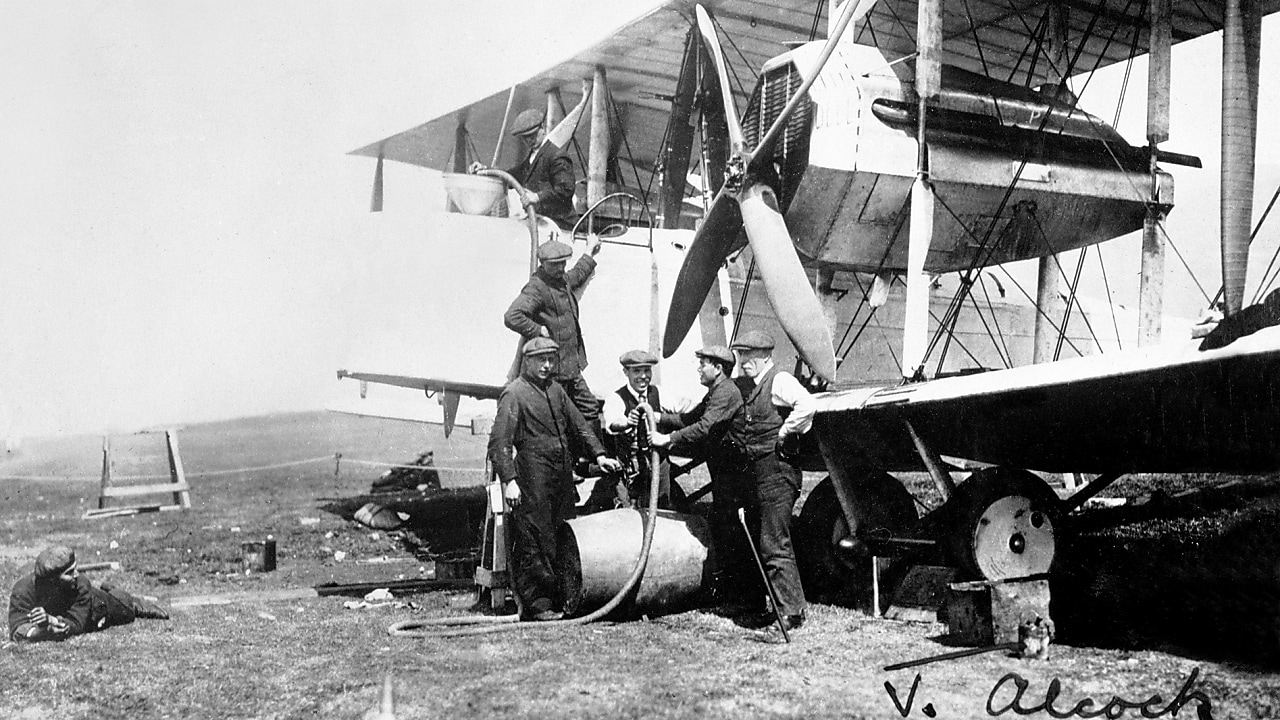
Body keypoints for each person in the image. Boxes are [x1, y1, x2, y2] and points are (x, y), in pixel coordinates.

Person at [488, 337, 622, 621]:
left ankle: (565, 597)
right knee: (535, 536)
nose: (547, 365)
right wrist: (510, 480)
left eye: (550, 359)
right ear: (527, 361)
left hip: (561, 471)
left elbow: (579, 424)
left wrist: (599, 455)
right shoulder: (514, 393)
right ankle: (538, 604)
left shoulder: (556, 390)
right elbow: (499, 443)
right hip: (532, 471)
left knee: (563, 531)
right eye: (541, 360)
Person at [648, 346, 756, 613]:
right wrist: (658, 416)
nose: (699, 368)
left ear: (718, 369)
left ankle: (744, 599)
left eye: (703, 364)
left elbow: (704, 427)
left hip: (735, 475)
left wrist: (667, 439)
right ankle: (732, 595)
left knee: (736, 534)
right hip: (724, 474)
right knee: (724, 529)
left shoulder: (726, 393)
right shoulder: (716, 392)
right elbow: (689, 418)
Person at [729, 330, 817, 632]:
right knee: (766, 540)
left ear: (766, 356)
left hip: (778, 474)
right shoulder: (751, 384)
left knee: (774, 542)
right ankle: (783, 606)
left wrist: (786, 431)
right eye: (741, 354)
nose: (744, 361)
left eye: (750, 355)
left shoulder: (779, 380)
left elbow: (807, 405)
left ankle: (791, 612)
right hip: (761, 475)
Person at [504, 238, 603, 432]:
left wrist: (589, 250)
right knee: (554, 419)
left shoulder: (561, 280)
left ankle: (590, 451)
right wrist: (538, 330)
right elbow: (512, 316)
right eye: (555, 265)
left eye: (563, 263)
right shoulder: (536, 287)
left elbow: (578, 274)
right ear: (543, 264)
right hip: (550, 371)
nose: (560, 268)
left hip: (570, 367)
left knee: (590, 409)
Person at [8, 545, 168, 642]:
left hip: (100, 607)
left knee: (125, 608)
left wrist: (51, 620)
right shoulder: (23, 590)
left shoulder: (81, 584)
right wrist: (42, 631)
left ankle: (127, 598)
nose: (77, 574)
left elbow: (77, 624)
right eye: (69, 573)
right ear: (52, 580)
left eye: (75, 568)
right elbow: (17, 628)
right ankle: (109, 588)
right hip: (74, 612)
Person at [471, 107, 577, 230]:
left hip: (561, 226)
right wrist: (485, 171)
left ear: (543, 129)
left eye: (533, 135)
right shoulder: (532, 158)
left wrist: (537, 196)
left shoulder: (557, 156)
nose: (530, 140)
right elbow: (510, 176)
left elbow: (565, 190)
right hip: (540, 222)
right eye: (525, 137)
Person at [601, 349, 671, 509]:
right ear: (626, 372)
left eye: (647, 370)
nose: (643, 376)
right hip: (629, 466)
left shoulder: (659, 392)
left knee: (661, 508)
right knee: (627, 511)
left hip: (657, 463)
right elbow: (613, 422)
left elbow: (685, 407)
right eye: (637, 371)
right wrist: (626, 423)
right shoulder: (616, 398)